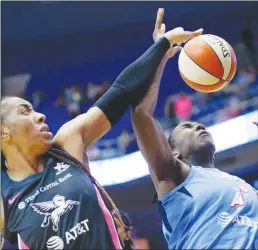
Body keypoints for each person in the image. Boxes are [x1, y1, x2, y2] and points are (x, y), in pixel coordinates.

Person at [0, 8, 203, 250]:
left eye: (34, 109)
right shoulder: (4, 194)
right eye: (25, 112)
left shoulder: (67, 143)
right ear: (4, 134)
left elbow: (121, 91)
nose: (40, 115)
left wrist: (162, 46)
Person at [131, 9, 258, 250]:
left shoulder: (244, 186)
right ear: (174, 153)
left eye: (196, 124)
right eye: (187, 126)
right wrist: (160, 54)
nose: (199, 124)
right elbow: (141, 114)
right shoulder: (174, 178)